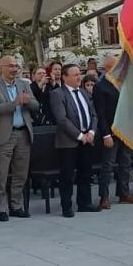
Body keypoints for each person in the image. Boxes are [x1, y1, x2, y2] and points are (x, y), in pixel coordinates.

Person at [0, 55, 40, 221]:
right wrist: (15, 102)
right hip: (3, 135)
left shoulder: (24, 84)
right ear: (1, 68)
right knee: (0, 175)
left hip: (23, 132)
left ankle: (16, 205)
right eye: (10, 66)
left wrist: (28, 101)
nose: (14, 69)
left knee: (20, 173)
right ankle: (1, 208)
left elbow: (36, 105)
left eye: (16, 66)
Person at [93, 55, 133, 209]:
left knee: (125, 163)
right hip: (111, 132)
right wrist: (106, 134)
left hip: (125, 131)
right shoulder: (101, 86)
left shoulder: (124, 84)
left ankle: (124, 193)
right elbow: (100, 113)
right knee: (108, 164)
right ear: (109, 68)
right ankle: (104, 196)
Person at [50, 64, 100, 217]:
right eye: (75, 75)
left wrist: (91, 131)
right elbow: (62, 119)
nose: (79, 77)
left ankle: (84, 203)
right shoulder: (58, 94)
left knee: (86, 172)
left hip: (87, 139)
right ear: (65, 77)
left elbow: (93, 115)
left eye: (80, 74)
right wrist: (80, 135)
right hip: (69, 142)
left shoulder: (84, 93)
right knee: (67, 175)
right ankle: (67, 206)